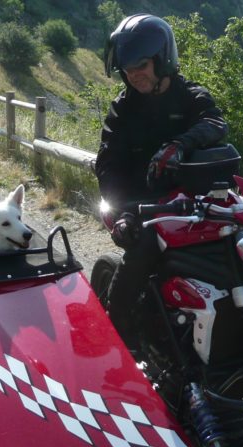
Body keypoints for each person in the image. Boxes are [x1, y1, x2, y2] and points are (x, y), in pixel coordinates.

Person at [95, 14, 228, 349]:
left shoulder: (191, 96)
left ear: (162, 59)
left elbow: (215, 123)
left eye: (140, 64)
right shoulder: (122, 111)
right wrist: (124, 212)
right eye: (126, 67)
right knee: (139, 256)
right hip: (143, 207)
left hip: (193, 203)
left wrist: (181, 144)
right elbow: (108, 166)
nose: (133, 73)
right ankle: (119, 344)